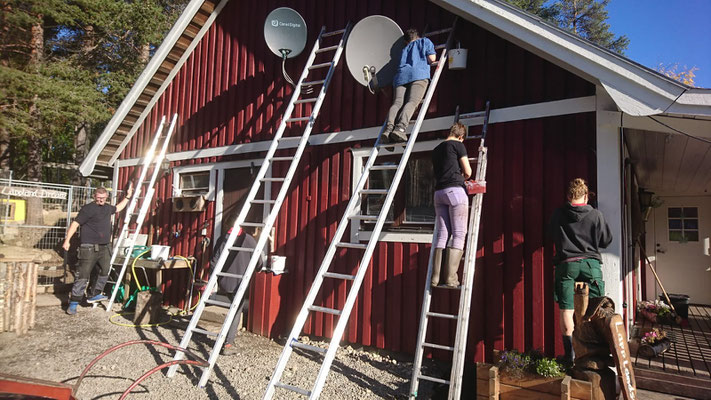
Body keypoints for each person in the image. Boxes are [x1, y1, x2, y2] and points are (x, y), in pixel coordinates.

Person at [548, 178, 612, 365]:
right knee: (596, 308)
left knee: (566, 311)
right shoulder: (596, 215)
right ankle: (596, 356)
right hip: (590, 265)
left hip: (567, 265)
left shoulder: (559, 214)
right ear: (586, 196)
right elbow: (606, 241)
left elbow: (551, 234)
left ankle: (570, 357)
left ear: (568, 196)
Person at [62, 185, 133, 315]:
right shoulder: (88, 209)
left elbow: (118, 208)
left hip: (105, 247)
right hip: (88, 247)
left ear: (106, 197)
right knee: (83, 275)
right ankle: (73, 303)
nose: (101, 200)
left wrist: (128, 196)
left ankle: (93, 294)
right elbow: (75, 224)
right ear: (94, 196)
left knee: (105, 270)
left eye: (103, 198)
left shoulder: (107, 208)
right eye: (99, 198)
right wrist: (67, 240)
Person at [430, 122, 472, 287]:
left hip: (438, 194)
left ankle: (435, 277)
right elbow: (468, 172)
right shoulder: (458, 145)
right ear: (461, 136)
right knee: (459, 233)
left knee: (443, 234)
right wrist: (464, 178)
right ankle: (451, 278)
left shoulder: (436, 150)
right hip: (455, 192)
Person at [209, 225, 261, 354]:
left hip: (224, 282)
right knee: (236, 311)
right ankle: (228, 344)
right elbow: (258, 261)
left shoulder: (223, 239)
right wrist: (260, 268)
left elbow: (214, 261)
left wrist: (212, 281)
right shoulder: (248, 240)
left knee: (234, 308)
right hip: (239, 283)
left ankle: (226, 339)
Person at [382, 28, 437, 144]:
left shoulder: (404, 49)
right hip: (418, 75)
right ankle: (400, 128)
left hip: (401, 77)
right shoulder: (424, 42)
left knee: (397, 103)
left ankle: (388, 129)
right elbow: (432, 59)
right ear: (417, 36)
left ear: (406, 41)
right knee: (412, 102)